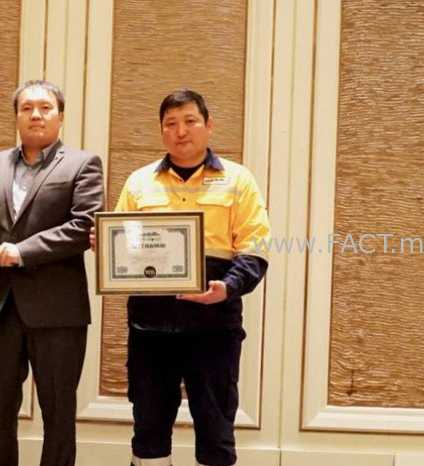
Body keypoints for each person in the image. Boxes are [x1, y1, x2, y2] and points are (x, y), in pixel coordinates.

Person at [95, 89, 270, 466]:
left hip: (214, 327)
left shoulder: (238, 180)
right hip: (151, 328)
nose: (181, 131)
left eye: (190, 121)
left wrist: (228, 288)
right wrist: (107, 246)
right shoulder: (139, 182)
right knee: (149, 432)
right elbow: (122, 248)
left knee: (216, 432)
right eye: (171, 123)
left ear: (209, 125)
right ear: (161, 130)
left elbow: (255, 248)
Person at [0, 80, 104, 466]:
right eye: (26, 108)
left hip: (58, 311)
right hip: (0, 308)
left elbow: (83, 227)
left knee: (58, 415)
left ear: (61, 116)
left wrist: (21, 252)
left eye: (45, 107)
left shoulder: (83, 163)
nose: (36, 115)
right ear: (16, 117)